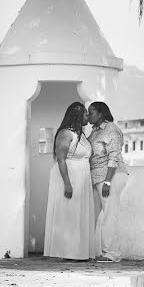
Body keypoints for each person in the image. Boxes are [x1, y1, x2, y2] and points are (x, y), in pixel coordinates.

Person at [43, 101, 95, 260]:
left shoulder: (82, 135)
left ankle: (79, 251)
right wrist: (67, 183)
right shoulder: (66, 134)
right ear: (78, 116)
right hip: (68, 177)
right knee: (68, 214)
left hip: (82, 179)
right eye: (86, 114)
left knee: (78, 214)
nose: (88, 116)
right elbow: (61, 159)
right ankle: (67, 251)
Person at [87, 101, 128, 262]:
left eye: (91, 113)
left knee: (109, 215)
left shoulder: (112, 129)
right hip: (96, 177)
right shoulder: (94, 131)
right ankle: (90, 251)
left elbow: (114, 157)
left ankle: (112, 254)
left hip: (110, 176)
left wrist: (108, 182)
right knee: (91, 215)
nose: (89, 116)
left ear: (101, 114)